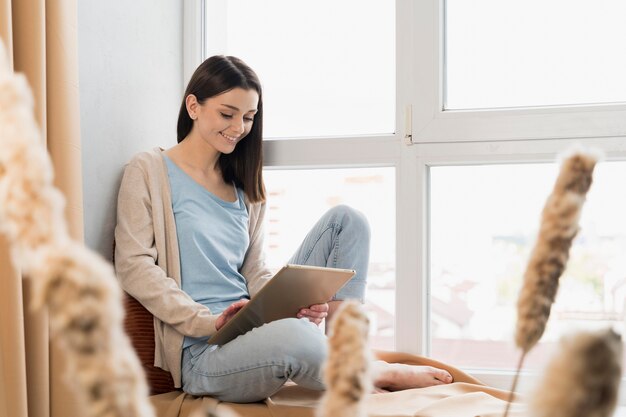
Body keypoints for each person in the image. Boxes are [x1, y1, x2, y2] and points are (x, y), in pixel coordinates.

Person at [114, 55, 453, 403]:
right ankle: (367, 370)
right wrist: (207, 321)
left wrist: (295, 304)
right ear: (193, 106)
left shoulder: (244, 186)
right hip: (204, 353)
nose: (238, 128)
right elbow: (133, 266)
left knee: (347, 221)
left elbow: (254, 270)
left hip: (254, 325)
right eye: (227, 114)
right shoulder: (149, 170)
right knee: (292, 335)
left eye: (248, 117)